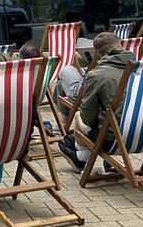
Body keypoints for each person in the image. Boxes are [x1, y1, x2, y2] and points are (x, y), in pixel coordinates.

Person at [57, 32, 134, 169]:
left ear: (97, 54)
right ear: (120, 45)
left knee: (78, 115)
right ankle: (87, 156)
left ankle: (80, 156)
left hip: (113, 140)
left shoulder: (97, 75)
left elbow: (87, 117)